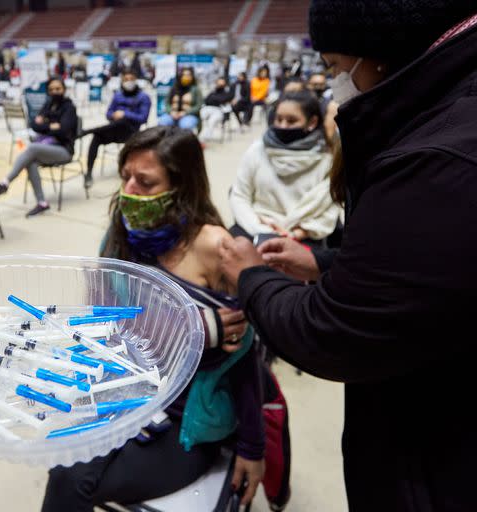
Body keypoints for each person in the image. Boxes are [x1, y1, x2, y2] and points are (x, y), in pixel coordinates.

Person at [217, 2, 477, 510]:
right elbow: (430, 269)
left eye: (336, 67)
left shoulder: (436, 158)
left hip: (438, 463)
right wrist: (327, 263)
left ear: (379, 55)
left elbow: (333, 333)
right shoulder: (445, 123)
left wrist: (250, 277)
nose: (335, 82)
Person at [42, 127, 265, 511]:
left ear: (181, 186)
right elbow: (101, 321)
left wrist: (253, 447)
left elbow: (244, 361)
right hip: (122, 391)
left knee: (72, 479)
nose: (130, 190)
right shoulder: (121, 234)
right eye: (125, 177)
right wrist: (194, 327)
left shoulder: (216, 248)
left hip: (185, 422)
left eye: (145, 182)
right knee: (64, 466)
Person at [230, 91, 339, 245]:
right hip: (255, 229)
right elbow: (239, 196)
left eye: (291, 121)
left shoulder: (326, 160)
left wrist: (296, 234)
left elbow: (328, 210)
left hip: (303, 236)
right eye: (279, 119)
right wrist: (260, 228)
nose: (283, 125)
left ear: (312, 122)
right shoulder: (257, 150)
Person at [0, 77, 78, 217]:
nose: (55, 92)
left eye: (58, 89)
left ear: (64, 89)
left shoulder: (69, 107)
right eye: (51, 89)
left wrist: (45, 125)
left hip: (64, 150)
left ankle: (5, 183)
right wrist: (52, 126)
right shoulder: (48, 104)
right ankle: (42, 202)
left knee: (32, 147)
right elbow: (34, 125)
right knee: (31, 162)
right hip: (46, 147)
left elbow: (64, 130)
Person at [82, 69, 151, 187]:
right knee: (97, 136)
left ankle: (87, 131)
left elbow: (143, 118)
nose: (128, 82)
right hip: (114, 129)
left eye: (131, 79)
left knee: (123, 121)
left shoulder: (143, 97)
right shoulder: (117, 95)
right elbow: (108, 113)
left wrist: (125, 114)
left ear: (136, 80)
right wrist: (113, 115)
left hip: (131, 132)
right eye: (126, 79)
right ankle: (88, 173)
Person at [198, 76, 235, 141]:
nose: (220, 83)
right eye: (219, 82)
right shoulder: (213, 91)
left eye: (221, 82)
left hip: (219, 110)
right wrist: (215, 98)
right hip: (208, 108)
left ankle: (205, 137)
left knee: (212, 120)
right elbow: (206, 100)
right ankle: (198, 135)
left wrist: (214, 99)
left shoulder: (227, 92)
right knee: (200, 116)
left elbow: (223, 100)